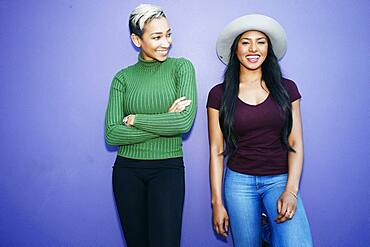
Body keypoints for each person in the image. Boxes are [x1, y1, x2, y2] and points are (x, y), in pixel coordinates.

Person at [207, 14, 313, 246]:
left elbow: (295, 142)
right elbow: (217, 149)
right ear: (235, 50)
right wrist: (217, 203)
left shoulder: (287, 88)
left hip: (280, 180)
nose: (253, 48)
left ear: (269, 49)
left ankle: (269, 230)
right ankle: (267, 231)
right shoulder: (218, 94)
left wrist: (291, 191)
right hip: (238, 184)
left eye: (261, 42)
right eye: (245, 42)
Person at [105, 4, 197, 247]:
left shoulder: (182, 68)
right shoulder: (123, 78)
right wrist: (165, 119)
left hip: (168, 170)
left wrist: (137, 119)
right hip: (127, 172)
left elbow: (183, 122)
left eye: (168, 34)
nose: (165, 42)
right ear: (137, 40)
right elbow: (112, 133)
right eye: (156, 37)